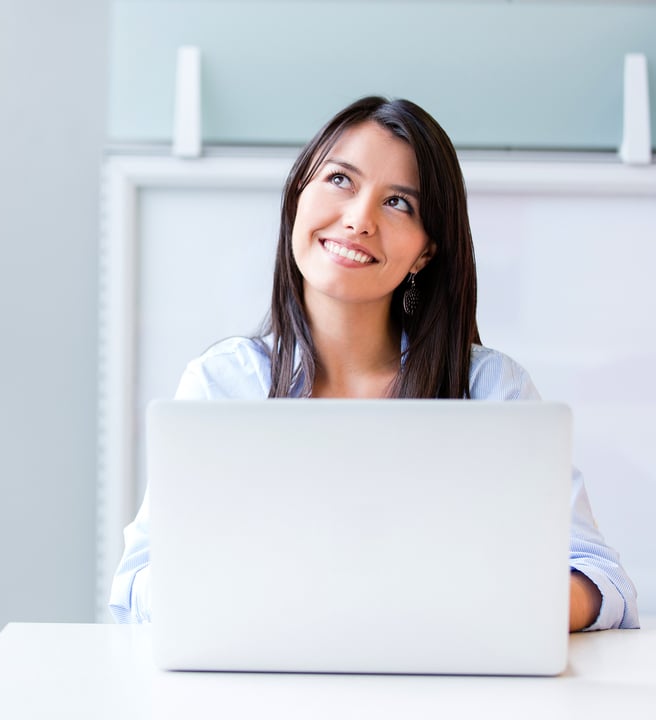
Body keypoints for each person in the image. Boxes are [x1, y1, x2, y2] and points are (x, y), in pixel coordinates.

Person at [108, 96, 639, 631]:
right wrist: (244, 595)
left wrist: (477, 610)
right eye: (341, 180)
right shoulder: (223, 384)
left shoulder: (488, 388)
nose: (359, 220)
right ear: (299, 192)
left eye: (399, 204)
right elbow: (136, 585)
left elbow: (605, 584)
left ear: (426, 252)